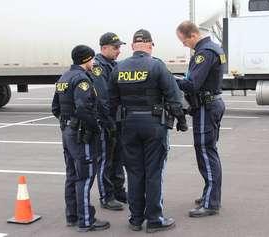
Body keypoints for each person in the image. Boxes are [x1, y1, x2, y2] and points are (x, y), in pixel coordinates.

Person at [108, 29, 188, 233]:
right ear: (151, 45)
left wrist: (117, 126)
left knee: (134, 173)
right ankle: (154, 219)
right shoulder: (157, 66)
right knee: (153, 172)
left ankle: (135, 219)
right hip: (153, 125)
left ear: (134, 46)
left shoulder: (119, 68)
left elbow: (111, 101)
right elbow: (174, 96)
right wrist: (181, 120)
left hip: (128, 125)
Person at [51, 45, 110, 232]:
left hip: (67, 132)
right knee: (85, 177)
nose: (94, 63)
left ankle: (72, 216)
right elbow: (83, 108)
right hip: (81, 135)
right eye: (92, 59)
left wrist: (68, 123)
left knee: (72, 175)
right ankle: (86, 220)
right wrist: (95, 128)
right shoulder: (82, 79)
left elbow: (55, 108)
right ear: (86, 60)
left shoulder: (64, 77)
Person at [175, 20, 226, 217]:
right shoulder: (215, 48)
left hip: (206, 106)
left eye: (183, 41)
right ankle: (210, 194)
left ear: (193, 36)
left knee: (206, 153)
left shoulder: (204, 53)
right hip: (211, 104)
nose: (183, 45)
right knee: (209, 151)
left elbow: (192, 84)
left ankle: (211, 202)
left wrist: (169, 79)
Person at [91, 32, 127, 211]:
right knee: (106, 159)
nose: (119, 51)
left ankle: (119, 191)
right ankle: (107, 196)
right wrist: (109, 122)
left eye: (119, 47)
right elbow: (103, 97)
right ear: (104, 48)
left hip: (117, 118)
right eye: (115, 47)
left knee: (119, 156)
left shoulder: (114, 65)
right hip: (106, 120)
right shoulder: (98, 66)